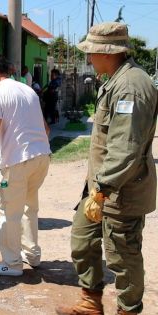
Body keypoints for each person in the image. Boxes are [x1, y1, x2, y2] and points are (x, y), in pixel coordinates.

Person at [56, 22, 158, 315]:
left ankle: (128, 310)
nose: (89, 58)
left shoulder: (130, 87)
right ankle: (91, 302)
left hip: (120, 191)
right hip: (102, 187)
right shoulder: (115, 80)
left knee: (123, 257)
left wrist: (102, 190)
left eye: (91, 52)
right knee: (82, 239)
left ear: (107, 52)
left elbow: (125, 148)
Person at [0, 54, 51, 276]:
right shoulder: (28, 90)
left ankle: (11, 264)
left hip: (17, 163)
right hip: (41, 157)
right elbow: (46, 129)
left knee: (9, 212)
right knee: (30, 208)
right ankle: (32, 255)